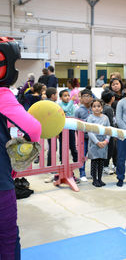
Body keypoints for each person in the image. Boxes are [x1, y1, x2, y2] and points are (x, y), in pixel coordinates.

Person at [0, 37, 41, 259]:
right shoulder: (3, 96)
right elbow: (34, 129)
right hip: (1, 184)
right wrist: (19, 160)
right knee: (7, 238)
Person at [87, 99, 110, 187]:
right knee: (94, 161)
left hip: (104, 143)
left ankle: (100, 179)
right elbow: (89, 131)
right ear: (91, 108)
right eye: (94, 106)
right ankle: (94, 179)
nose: (96, 108)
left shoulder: (105, 118)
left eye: (98, 106)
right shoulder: (90, 118)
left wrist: (106, 141)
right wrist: (97, 142)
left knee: (101, 161)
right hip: (94, 143)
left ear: (102, 107)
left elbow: (109, 130)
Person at [58, 89, 79, 183]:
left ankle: (76, 161)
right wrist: (72, 101)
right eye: (65, 96)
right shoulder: (59, 105)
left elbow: (73, 114)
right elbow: (65, 110)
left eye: (68, 95)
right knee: (62, 147)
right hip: (62, 129)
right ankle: (62, 163)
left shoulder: (72, 104)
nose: (67, 97)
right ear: (61, 97)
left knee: (73, 145)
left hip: (71, 128)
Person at [74, 89, 93, 181]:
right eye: (84, 96)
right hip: (83, 138)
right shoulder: (78, 111)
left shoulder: (94, 108)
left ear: (91, 97)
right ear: (80, 98)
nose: (86, 98)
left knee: (94, 155)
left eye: (88, 96)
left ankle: (94, 172)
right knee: (82, 155)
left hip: (94, 137)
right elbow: (76, 125)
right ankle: (82, 173)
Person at [101, 90, 116, 175]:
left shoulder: (104, 107)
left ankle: (105, 166)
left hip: (104, 132)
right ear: (112, 98)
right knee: (110, 150)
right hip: (109, 133)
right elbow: (111, 122)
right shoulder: (109, 109)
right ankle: (105, 166)